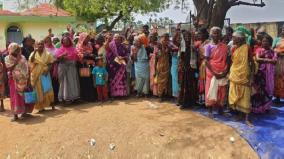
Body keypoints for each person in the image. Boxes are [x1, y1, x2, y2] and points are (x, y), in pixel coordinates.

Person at [228, 31, 253, 127]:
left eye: (234, 38)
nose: (233, 40)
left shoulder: (247, 48)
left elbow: (251, 62)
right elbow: (233, 61)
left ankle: (247, 118)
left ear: (240, 39)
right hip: (235, 74)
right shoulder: (233, 48)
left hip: (244, 75)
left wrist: (251, 76)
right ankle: (240, 115)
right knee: (237, 95)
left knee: (246, 96)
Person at [204, 27, 229, 117]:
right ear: (211, 34)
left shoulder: (224, 46)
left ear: (220, 34)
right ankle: (210, 111)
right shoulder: (208, 46)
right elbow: (206, 61)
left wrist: (224, 72)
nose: (216, 35)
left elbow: (227, 60)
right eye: (214, 33)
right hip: (212, 72)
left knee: (221, 90)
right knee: (211, 90)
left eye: (218, 33)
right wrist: (214, 73)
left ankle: (220, 110)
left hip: (222, 71)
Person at [5, 43, 32, 121]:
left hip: (24, 80)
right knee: (15, 97)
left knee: (24, 96)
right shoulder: (7, 58)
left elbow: (27, 67)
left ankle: (24, 112)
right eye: (15, 49)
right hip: (14, 80)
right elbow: (9, 68)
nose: (16, 50)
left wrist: (29, 79)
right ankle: (15, 115)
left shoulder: (23, 57)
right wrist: (16, 61)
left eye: (17, 49)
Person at [252, 35, 277, 113]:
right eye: (263, 41)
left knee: (268, 89)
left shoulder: (273, 51)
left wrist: (263, 59)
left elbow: (275, 61)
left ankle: (266, 107)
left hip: (269, 74)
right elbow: (257, 59)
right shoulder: (259, 50)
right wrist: (268, 60)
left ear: (270, 42)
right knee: (259, 90)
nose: (265, 43)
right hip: (260, 73)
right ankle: (259, 108)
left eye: (267, 41)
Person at [29, 40, 55, 112]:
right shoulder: (33, 53)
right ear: (36, 45)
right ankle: (41, 107)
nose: (40, 45)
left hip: (44, 73)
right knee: (38, 90)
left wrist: (47, 70)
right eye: (38, 44)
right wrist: (34, 51)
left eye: (41, 44)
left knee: (48, 89)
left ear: (44, 45)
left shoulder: (48, 54)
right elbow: (31, 60)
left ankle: (52, 105)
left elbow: (51, 63)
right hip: (36, 75)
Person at [56, 36, 80, 103]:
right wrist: (62, 55)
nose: (65, 41)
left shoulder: (73, 48)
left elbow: (76, 57)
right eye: (64, 40)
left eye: (67, 40)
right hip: (64, 67)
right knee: (65, 83)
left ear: (69, 41)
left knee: (72, 81)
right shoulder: (60, 49)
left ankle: (74, 97)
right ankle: (66, 98)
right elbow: (57, 58)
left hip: (72, 67)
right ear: (62, 41)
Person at [178, 30, 198, 109]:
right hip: (185, 69)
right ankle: (183, 102)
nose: (187, 38)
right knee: (184, 85)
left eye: (189, 36)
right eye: (185, 37)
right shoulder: (182, 46)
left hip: (191, 68)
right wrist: (182, 66)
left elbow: (196, 57)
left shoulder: (193, 46)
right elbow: (181, 58)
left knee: (191, 85)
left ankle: (191, 103)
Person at [76, 32, 97, 102]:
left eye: (88, 38)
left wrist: (91, 55)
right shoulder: (79, 46)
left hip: (91, 65)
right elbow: (80, 56)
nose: (88, 39)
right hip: (83, 66)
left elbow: (93, 53)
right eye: (86, 38)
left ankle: (92, 97)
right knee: (85, 81)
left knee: (91, 80)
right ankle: (86, 97)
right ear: (82, 38)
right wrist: (89, 55)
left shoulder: (90, 45)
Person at [195, 28, 210, 105]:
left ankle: (207, 101)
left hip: (207, 64)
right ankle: (202, 100)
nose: (199, 35)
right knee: (202, 82)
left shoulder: (208, 43)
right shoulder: (200, 43)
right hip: (201, 64)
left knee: (206, 82)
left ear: (205, 34)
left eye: (201, 34)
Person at [156, 33, 171, 102]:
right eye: (165, 38)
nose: (166, 40)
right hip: (161, 64)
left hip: (167, 64)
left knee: (166, 80)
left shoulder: (169, 45)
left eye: (167, 38)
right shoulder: (159, 45)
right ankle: (160, 95)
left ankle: (165, 94)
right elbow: (157, 56)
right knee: (160, 81)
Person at [45, 36, 59, 104]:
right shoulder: (44, 49)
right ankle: (49, 100)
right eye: (47, 41)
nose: (49, 42)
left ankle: (56, 99)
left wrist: (55, 60)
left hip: (55, 68)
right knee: (48, 85)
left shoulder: (55, 48)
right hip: (47, 69)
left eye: (50, 40)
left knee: (55, 84)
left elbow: (57, 57)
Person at [273, 25, 284, 103]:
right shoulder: (277, 39)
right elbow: (272, 48)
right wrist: (276, 51)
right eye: (283, 28)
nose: (283, 29)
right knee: (277, 78)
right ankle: (277, 96)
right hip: (278, 61)